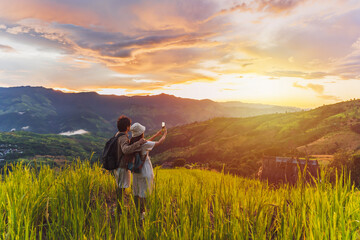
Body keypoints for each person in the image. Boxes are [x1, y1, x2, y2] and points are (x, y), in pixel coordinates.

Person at [129, 122, 167, 217]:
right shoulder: (144, 144)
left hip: (136, 171)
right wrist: (165, 133)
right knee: (144, 193)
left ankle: (137, 212)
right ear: (141, 133)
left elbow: (147, 142)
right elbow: (159, 143)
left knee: (136, 192)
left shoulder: (133, 143)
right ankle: (142, 214)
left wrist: (156, 135)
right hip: (145, 170)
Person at [113, 116, 146, 203]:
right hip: (122, 166)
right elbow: (125, 149)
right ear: (127, 127)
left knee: (120, 187)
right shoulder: (123, 137)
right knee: (122, 188)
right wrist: (139, 143)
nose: (130, 126)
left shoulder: (118, 134)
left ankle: (119, 208)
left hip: (117, 165)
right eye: (130, 125)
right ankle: (119, 210)